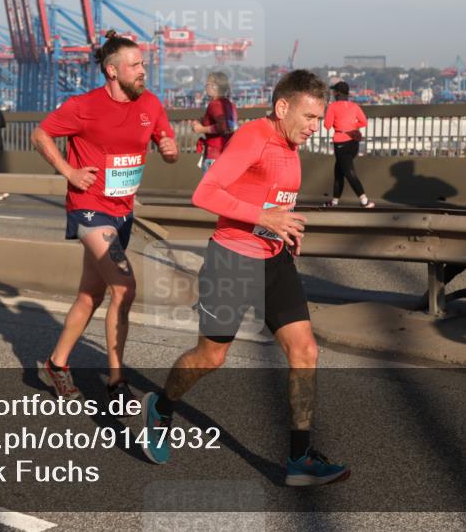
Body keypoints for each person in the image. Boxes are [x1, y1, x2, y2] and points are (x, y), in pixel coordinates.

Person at [141, 69, 350, 487]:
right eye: (309, 117)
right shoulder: (254, 137)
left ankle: (299, 459)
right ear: (282, 107)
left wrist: (284, 227)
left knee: (305, 351)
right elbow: (205, 193)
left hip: (274, 260)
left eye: (319, 119)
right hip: (232, 261)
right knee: (211, 358)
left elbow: (271, 200)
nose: (317, 126)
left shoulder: (291, 146)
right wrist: (264, 217)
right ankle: (161, 406)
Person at [31, 30, 178, 404]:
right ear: (112, 71)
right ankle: (117, 381)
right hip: (89, 209)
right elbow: (40, 135)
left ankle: (56, 365)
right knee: (125, 287)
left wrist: (169, 148)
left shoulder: (151, 105)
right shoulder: (84, 106)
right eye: (135, 65)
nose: (143, 70)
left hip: (123, 212)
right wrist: (69, 172)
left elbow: (168, 147)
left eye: (143, 63)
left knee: (89, 296)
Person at [324, 81, 374, 208]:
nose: (333, 93)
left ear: (337, 93)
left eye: (334, 91)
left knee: (349, 172)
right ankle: (334, 202)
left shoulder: (333, 106)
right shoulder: (354, 106)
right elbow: (364, 122)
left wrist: (330, 115)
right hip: (354, 143)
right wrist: (352, 127)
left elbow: (327, 125)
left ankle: (364, 201)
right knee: (339, 171)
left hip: (341, 143)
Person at [191, 71, 237, 173]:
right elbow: (231, 126)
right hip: (228, 154)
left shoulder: (215, 104)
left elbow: (222, 127)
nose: (205, 85)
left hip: (214, 156)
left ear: (215, 86)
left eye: (208, 83)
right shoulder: (230, 105)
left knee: (210, 188)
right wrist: (201, 120)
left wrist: (200, 129)